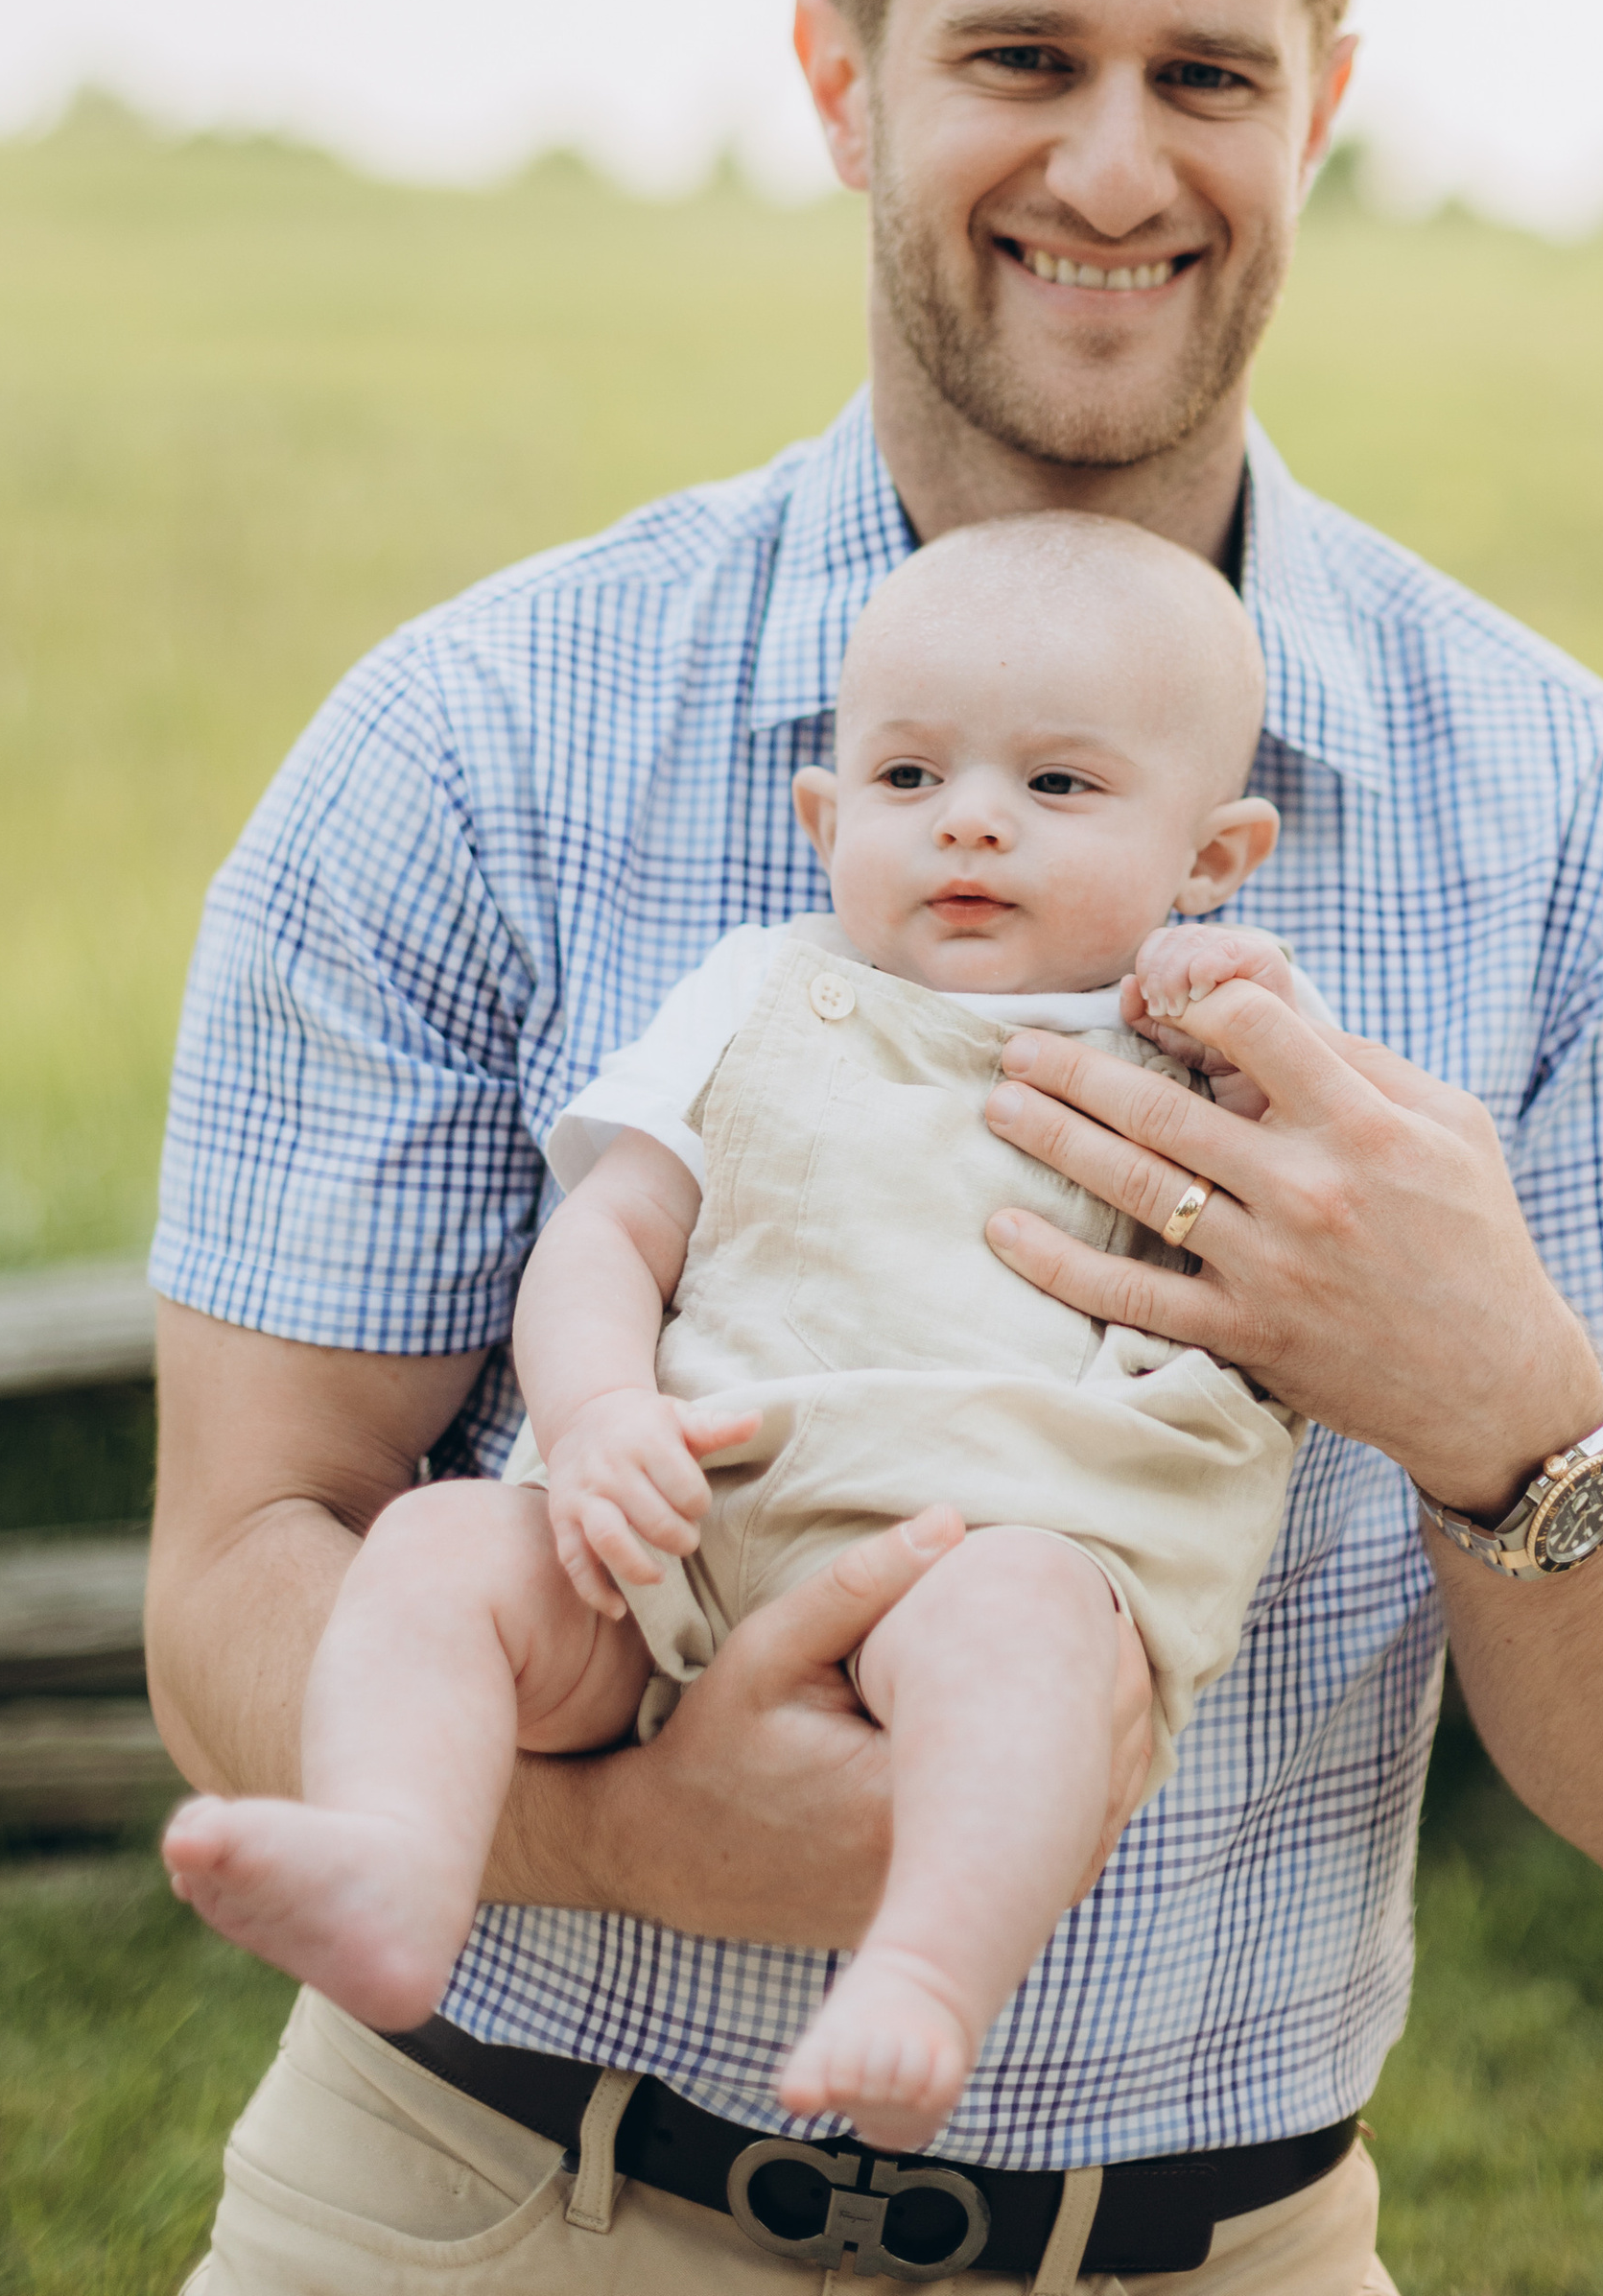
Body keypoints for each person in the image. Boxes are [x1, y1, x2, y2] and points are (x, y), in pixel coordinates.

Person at [148, 0, 1603, 2296]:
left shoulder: (1568, 820)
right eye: (1024, 61)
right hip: (490, 2202)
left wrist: (1496, 1397)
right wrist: (635, 1838)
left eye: (1211, 77)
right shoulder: (474, 743)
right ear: (847, 76)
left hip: (1209, 2248)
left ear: (1327, 107)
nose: (1120, 170)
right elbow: (243, 1566)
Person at [159, 516, 1337, 2156]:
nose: (973, 820)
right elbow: (610, 1236)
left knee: (1020, 1650)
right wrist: (596, 1420)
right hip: (699, 1511)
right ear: (826, 813)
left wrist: (1250, 1010)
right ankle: (392, 1858)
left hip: (1008, 1528)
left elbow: (1322, 1248)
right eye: (911, 779)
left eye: (1058, 789)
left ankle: (924, 1974)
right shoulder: (754, 990)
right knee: (435, 1551)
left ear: (1211, 860)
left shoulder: (1203, 1044)